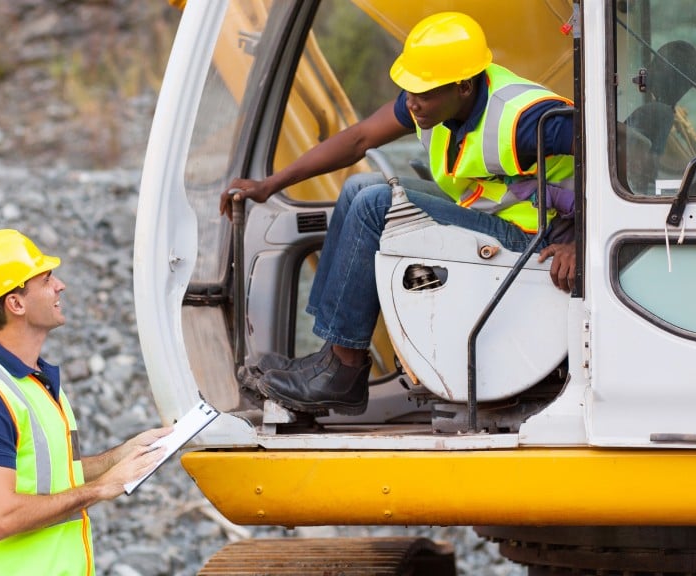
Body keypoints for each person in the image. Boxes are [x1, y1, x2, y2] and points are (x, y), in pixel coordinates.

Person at [219, 12, 577, 416]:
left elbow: (626, 151)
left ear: (463, 85)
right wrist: (271, 183)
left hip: (536, 241)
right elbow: (359, 139)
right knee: (360, 187)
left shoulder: (526, 120)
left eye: (421, 93)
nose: (411, 102)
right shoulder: (437, 99)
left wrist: (580, 245)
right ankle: (332, 358)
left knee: (376, 205)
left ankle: (344, 371)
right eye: (407, 89)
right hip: (493, 221)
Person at [0, 229, 171, 575]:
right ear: (15, 303)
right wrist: (102, 488)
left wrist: (120, 457)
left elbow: (54, 475)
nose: (60, 285)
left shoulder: (35, 383)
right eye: (46, 280)